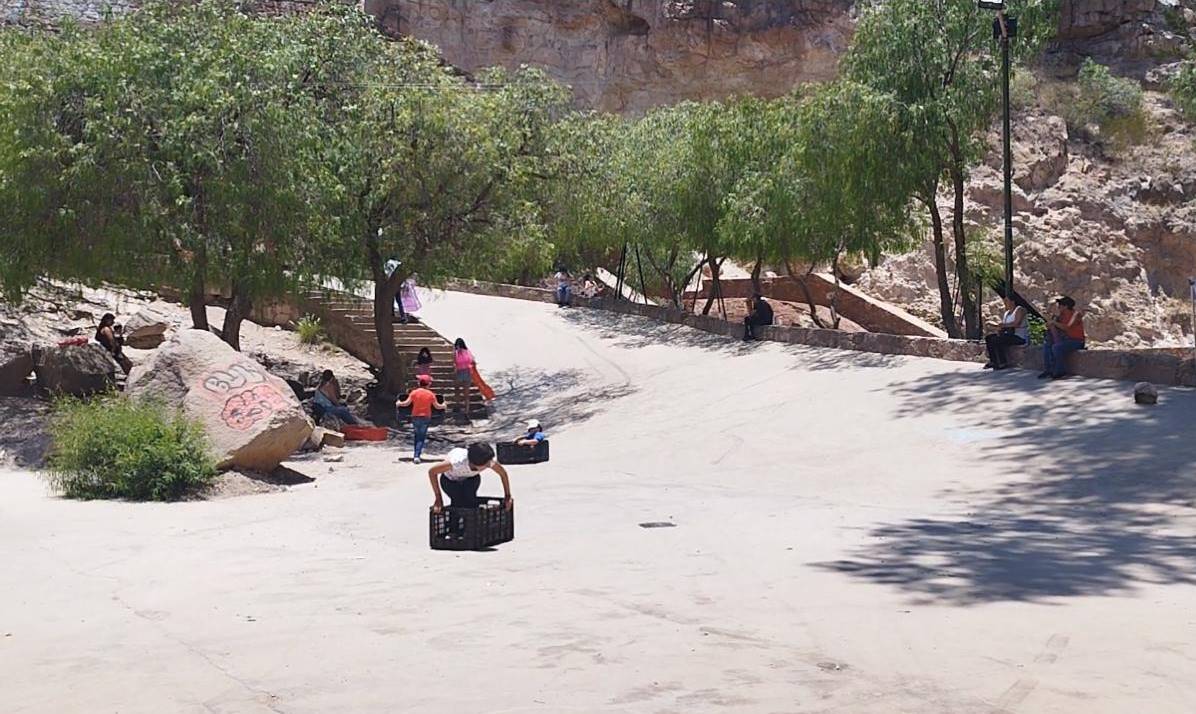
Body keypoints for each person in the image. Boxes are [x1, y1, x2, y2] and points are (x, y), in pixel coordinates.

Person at [428, 442, 513, 513]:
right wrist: (438, 498)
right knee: (457, 502)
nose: (489, 465)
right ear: (474, 464)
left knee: (471, 502)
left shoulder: (487, 461)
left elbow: (503, 474)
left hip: (471, 478)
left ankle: (471, 524)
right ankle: (454, 525)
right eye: (486, 465)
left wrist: (507, 495)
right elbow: (432, 472)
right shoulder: (456, 462)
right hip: (450, 480)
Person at [397, 374, 445, 464]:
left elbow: (406, 403)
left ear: (419, 383)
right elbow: (437, 406)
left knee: (417, 435)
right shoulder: (431, 394)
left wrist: (399, 403)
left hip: (415, 416)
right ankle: (417, 456)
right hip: (426, 417)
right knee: (421, 437)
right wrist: (444, 405)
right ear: (429, 384)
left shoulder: (414, 393)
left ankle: (416, 454)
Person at [1040, 296, 1086, 380]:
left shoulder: (1075, 314)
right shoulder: (1061, 316)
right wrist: (1051, 323)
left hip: (1076, 341)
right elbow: (1054, 327)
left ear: (1066, 306)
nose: (1058, 307)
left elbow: (1067, 327)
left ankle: (1060, 370)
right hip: (1066, 339)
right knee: (1047, 345)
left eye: (1060, 305)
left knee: (1057, 347)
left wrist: (1054, 322)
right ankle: (1048, 370)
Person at [983, 297, 1029, 371]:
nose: (1005, 303)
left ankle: (1002, 362)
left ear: (1012, 302)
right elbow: (1004, 326)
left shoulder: (1019, 309)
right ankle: (993, 361)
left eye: (1006, 301)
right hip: (1008, 335)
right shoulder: (1006, 313)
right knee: (989, 338)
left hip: (1019, 336)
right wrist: (998, 328)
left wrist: (1004, 325)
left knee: (997, 340)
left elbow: (1016, 323)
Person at [452, 338, 476, 420]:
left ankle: (457, 406)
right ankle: (466, 411)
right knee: (466, 394)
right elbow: (473, 361)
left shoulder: (456, 352)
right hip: (467, 372)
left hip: (460, 372)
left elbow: (454, 363)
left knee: (457, 390)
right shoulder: (468, 351)